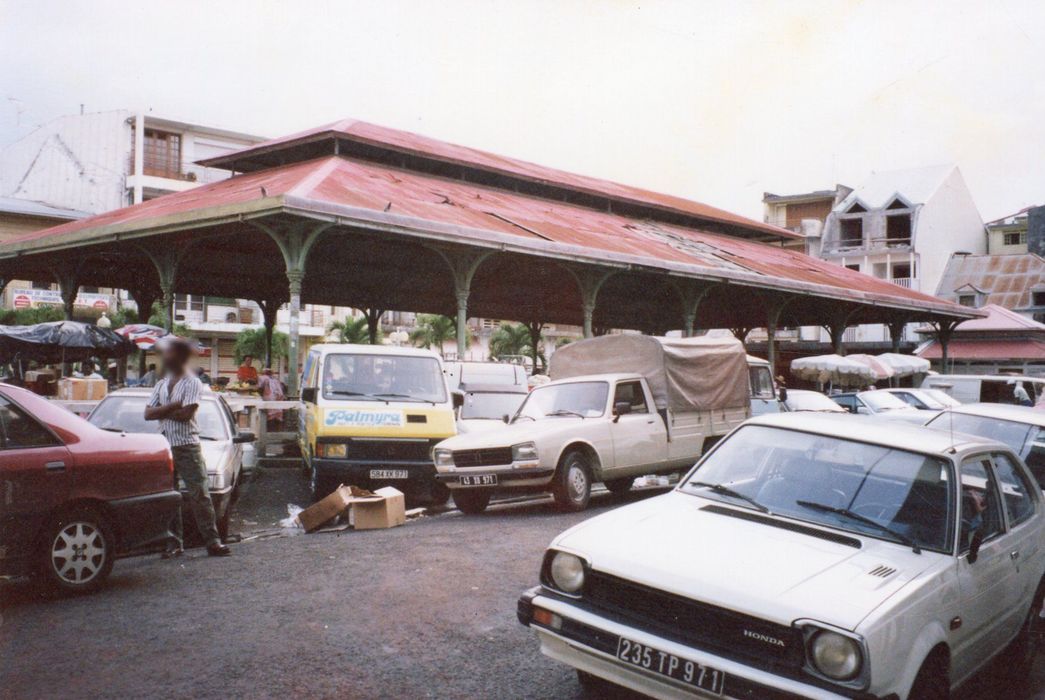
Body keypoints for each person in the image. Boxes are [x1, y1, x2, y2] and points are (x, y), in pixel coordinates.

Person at [144, 338, 230, 558]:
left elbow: (186, 415)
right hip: (165, 446)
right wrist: (173, 405)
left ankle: (212, 542)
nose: (166, 357)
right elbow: (147, 414)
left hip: (187, 446)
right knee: (170, 497)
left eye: (170, 353)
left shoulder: (193, 382)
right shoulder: (161, 383)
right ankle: (174, 544)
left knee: (199, 495)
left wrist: (162, 411)